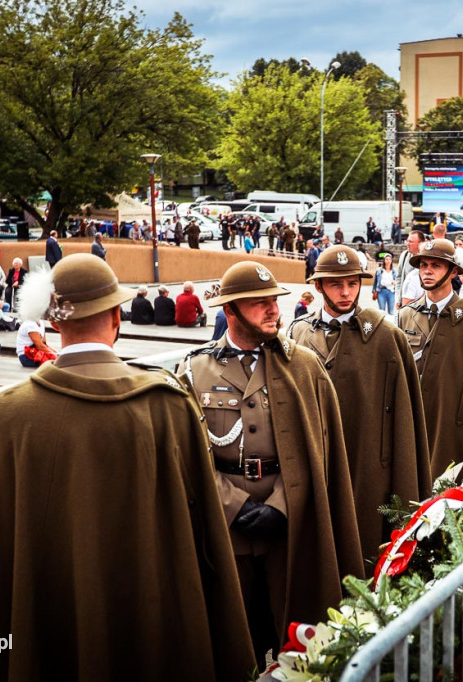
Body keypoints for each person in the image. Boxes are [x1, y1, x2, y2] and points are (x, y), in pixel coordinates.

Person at [0, 253, 254, 681]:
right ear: (117, 317)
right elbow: (207, 536)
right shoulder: (167, 403)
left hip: (51, 624)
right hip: (154, 627)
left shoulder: (9, 413)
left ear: (55, 323)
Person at [179, 261, 363, 658]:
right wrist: (235, 505)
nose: (273, 310)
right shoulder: (195, 370)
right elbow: (188, 455)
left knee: (295, 628)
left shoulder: (304, 366)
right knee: (234, 629)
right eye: (259, 303)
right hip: (226, 525)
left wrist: (281, 505)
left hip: (290, 524)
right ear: (230, 311)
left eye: (274, 301)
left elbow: (322, 447)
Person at [289, 245, 431, 561]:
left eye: (353, 283)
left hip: (368, 469)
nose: (346, 292)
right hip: (314, 464)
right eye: (336, 284)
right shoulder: (298, 332)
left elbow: (407, 418)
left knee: (364, 550)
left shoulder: (386, 336)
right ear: (318, 286)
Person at [397, 238, 463, 477]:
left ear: (453, 271)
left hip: (454, 431)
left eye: (436, 266)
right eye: (424, 265)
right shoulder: (406, 315)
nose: (428, 271)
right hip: (415, 425)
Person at [395, 230, 424, 309]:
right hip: (404, 302)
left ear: (420, 243)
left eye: (411, 242)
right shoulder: (404, 255)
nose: (407, 244)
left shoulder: (426, 258)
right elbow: (399, 278)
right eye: (407, 241)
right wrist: (398, 298)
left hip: (420, 304)